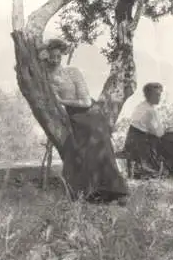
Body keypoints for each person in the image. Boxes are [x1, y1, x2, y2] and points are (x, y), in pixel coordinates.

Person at [42, 38, 128, 203]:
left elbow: (86, 101)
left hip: (90, 113)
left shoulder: (73, 72)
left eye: (58, 56)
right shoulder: (45, 78)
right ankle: (91, 192)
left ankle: (114, 191)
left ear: (62, 56)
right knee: (80, 151)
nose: (54, 60)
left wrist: (61, 101)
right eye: (51, 57)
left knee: (99, 144)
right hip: (72, 117)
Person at [124, 82, 173, 178]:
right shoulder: (150, 111)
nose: (159, 97)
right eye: (157, 95)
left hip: (131, 142)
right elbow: (159, 133)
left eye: (160, 95)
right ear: (149, 95)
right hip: (142, 145)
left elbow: (152, 129)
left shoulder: (141, 106)